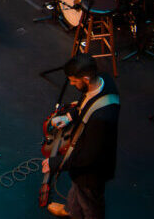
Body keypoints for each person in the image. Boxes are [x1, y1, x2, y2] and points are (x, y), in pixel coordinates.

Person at [42, 53, 120, 218]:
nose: (71, 84)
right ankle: (71, 210)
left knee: (90, 204)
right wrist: (69, 117)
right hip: (84, 166)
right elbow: (86, 104)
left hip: (92, 172)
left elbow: (88, 157)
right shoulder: (102, 81)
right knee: (77, 188)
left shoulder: (102, 118)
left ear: (86, 79)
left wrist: (55, 163)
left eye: (74, 81)